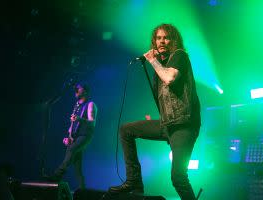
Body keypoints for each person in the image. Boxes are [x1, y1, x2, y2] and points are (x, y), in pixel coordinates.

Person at [109, 24, 201, 200]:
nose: (162, 41)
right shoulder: (162, 65)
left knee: (178, 178)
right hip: (167, 123)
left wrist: (152, 60)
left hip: (184, 125)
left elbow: (169, 78)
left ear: (173, 40)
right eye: (158, 38)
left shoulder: (180, 55)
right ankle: (134, 180)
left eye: (166, 38)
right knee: (126, 130)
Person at [44, 83, 97, 189]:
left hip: (85, 135)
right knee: (77, 166)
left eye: (78, 88)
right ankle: (83, 190)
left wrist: (79, 119)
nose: (76, 90)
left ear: (85, 91)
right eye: (75, 89)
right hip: (76, 137)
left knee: (71, 150)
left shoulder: (90, 104)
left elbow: (92, 122)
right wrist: (69, 137)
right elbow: (72, 124)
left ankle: (56, 176)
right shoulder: (76, 105)